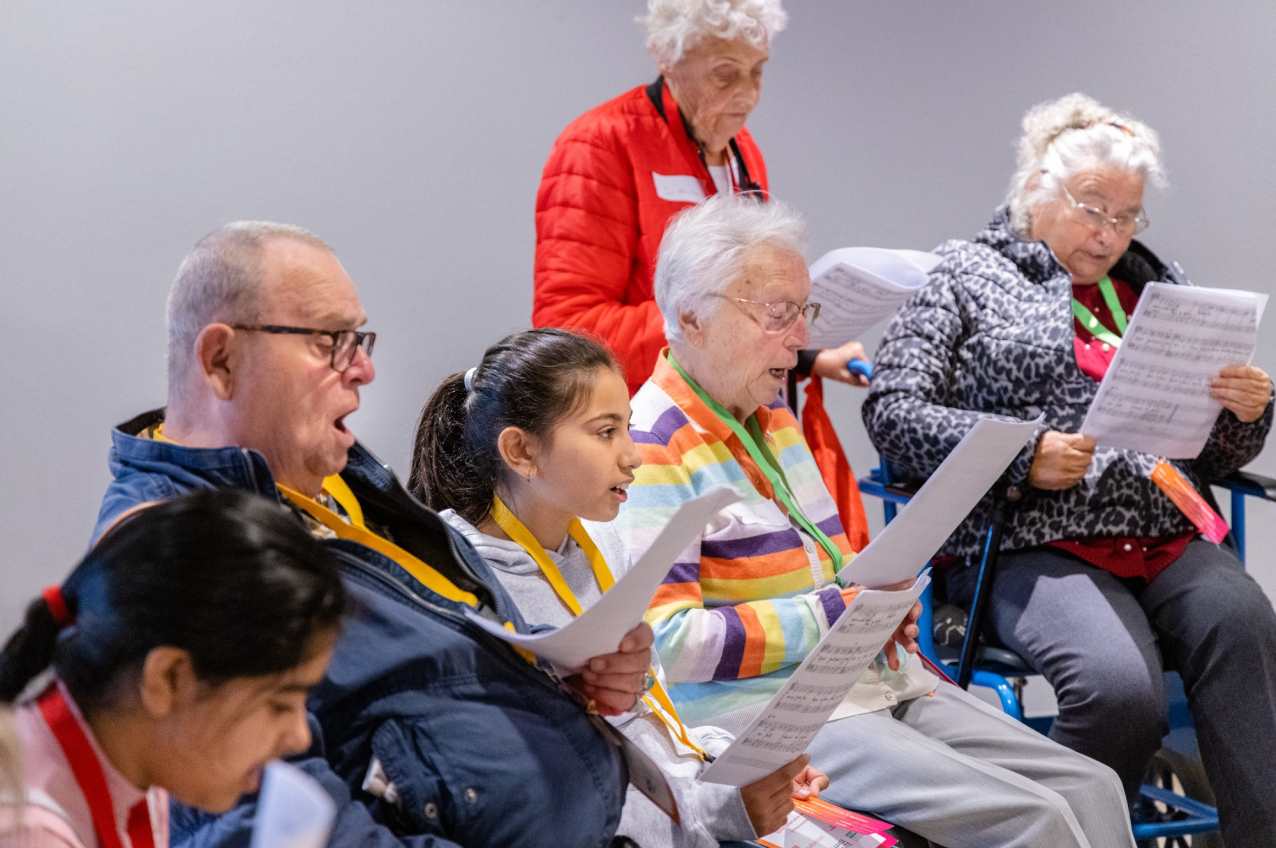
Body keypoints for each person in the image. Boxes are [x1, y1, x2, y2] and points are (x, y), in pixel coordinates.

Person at [94, 222, 653, 848]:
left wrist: (556, 678)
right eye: (330, 342)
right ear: (221, 360)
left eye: (359, 339)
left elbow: (420, 679)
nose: (363, 369)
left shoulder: (321, 473)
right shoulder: (177, 555)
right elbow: (268, 833)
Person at [616, 193, 1136, 848]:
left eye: (802, 313)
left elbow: (836, 573)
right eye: (777, 314)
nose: (801, 339)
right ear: (693, 317)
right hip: (766, 717)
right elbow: (665, 643)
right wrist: (835, 615)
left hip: (862, 683)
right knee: (1036, 817)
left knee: (1095, 786)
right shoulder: (652, 444)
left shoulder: (769, 419)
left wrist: (879, 610)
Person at [862, 93, 1276, 846]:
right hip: (1028, 539)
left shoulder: (1158, 286)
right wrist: (1022, 457)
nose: (1108, 233)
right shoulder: (965, 274)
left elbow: (1213, 455)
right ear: (1035, 190)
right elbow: (892, 411)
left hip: (1162, 530)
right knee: (1119, 690)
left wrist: (1243, 415)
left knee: (1245, 629)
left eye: (1126, 216)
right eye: (1092, 207)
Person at [408, 326, 845, 848]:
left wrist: (732, 763)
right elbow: (574, 796)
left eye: (628, 427)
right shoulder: (465, 588)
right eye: (605, 432)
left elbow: (651, 717)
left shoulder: (600, 542)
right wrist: (727, 811)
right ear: (521, 451)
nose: (633, 455)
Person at [533, 0, 870, 548]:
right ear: (668, 58)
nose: (748, 95)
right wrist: (713, 319)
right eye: (725, 75)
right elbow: (568, 331)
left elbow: (744, 292)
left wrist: (803, 353)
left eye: (758, 71)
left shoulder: (741, 152)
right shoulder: (599, 145)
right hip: (648, 439)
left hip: (731, 422)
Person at [0, 489, 347, 848]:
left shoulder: (140, 766)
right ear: (169, 679)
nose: (299, 737)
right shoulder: (30, 831)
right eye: (279, 705)